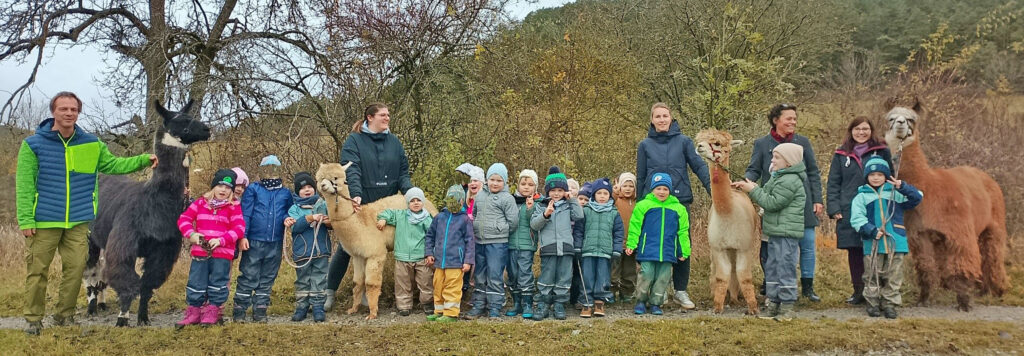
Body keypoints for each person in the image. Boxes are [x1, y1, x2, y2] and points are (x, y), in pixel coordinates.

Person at [17, 92, 157, 335]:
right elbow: (25, 185)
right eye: (64, 109)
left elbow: (114, 165)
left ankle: (64, 315)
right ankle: (33, 319)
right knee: (38, 271)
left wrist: (144, 160)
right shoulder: (33, 145)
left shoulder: (91, 143)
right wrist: (26, 219)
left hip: (79, 221)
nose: (69, 113)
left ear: (78, 112)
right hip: (44, 220)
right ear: (53, 111)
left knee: (75, 270)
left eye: (73, 109)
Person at [325, 103, 412, 311]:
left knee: (405, 245)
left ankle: (409, 296)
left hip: (389, 204)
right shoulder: (353, 141)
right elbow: (351, 170)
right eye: (383, 115)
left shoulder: (394, 142)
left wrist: (409, 193)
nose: (387, 118)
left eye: (389, 114)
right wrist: (355, 194)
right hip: (362, 204)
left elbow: (403, 172)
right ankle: (329, 292)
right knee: (349, 250)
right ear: (369, 117)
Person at [745, 103, 824, 302]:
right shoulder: (762, 144)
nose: (793, 122)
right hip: (774, 201)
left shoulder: (803, 143)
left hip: (801, 201)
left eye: (794, 118)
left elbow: (813, 172)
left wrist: (817, 199)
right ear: (776, 120)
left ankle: (807, 287)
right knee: (770, 247)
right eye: (788, 118)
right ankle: (772, 283)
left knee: (806, 245)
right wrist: (746, 183)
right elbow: (754, 169)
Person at [635, 102, 710, 310]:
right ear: (652, 120)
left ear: (671, 118)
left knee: (680, 244)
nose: (661, 120)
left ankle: (680, 290)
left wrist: (713, 189)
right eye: (657, 116)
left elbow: (699, 167)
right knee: (655, 245)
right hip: (653, 204)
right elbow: (641, 174)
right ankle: (660, 291)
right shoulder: (645, 145)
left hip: (679, 201)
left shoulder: (684, 142)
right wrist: (641, 202)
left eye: (665, 116)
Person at [733, 143, 808, 321]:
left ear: (789, 162)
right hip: (775, 231)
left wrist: (753, 191)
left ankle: (787, 307)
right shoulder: (778, 177)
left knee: (785, 267)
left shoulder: (790, 180)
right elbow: (765, 192)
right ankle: (774, 303)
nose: (772, 160)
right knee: (772, 266)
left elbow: (772, 202)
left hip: (786, 233)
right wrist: (749, 185)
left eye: (777, 157)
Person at [826, 117, 892, 305]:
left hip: (877, 206)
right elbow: (833, 182)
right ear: (851, 130)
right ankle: (859, 291)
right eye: (857, 129)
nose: (861, 132)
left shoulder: (881, 151)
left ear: (871, 130)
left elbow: (891, 176)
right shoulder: (841, 153)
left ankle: (881, 289)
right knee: (855, 251)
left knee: (878, 249)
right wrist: (834, 207)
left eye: (865, 129)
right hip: (849, 207)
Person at [850, 157, 923, 319]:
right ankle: (873, 302)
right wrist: (870, 230)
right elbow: (856, 218)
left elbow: (917, 197)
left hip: (896, 241)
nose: (876, 178)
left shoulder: (895, 194)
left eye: (880, 174)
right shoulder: (861, 196)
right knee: (872, 274)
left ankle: (889, 303)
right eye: (872, 174)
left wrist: (902, 186)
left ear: (886, 176)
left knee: (893, 275)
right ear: (867, 176)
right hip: (873, 243)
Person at [175, 169, 245, 328]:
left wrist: (221, 240)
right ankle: (193, 312)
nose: (223, 190)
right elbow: (184, 219)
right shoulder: (200, 203)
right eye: (220, 186)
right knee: (196, 282)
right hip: (200, 253)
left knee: (218, 283)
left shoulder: (233, 207)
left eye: (228, 188)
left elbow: (239, 229)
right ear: (213, 187)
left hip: (222, 254)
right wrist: (191, 234)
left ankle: (212, 312)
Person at [233, 155, 293, 322]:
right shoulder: (253, 189)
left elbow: (291, 210)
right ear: (261, 171)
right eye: (267, 169)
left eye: (274, 169)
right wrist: (243, 236)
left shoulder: (285, 192)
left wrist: (288, 218)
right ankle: (240, 309)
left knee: (268, 276)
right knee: (249, 274)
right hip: (254, 240)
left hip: (275, 241)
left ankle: (260, 310)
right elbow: (246, 213)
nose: (271, 173)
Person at [627, 173, 690, 316]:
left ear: (670, 190)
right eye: (658, 189)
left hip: (668, 252)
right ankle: (641, 301)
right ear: (652, 190)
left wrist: (684, 251)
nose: (662, 192)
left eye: (665, 189)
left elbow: (683, 232)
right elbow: (635, 226)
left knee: (663, 278)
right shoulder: (643, 205)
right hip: (647, 249)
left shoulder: (678, 208)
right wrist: (632, 244)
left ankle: (656, 302)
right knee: (646, 275)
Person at [531, 166, 583, 320]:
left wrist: (572, 198)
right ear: (547, 191)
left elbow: (579, 216)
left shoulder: (569, 205)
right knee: (546, 276)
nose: (556, 194)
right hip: (549, 248)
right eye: (553, 191)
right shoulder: (541, 205)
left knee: (564, 277)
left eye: (560, 190)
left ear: (565, 191)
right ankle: (544, 303)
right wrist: (545, 215)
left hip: (566, 248)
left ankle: (560, 304)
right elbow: (534, 225)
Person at [467, 163, 519, 318]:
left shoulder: (507, 198)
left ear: (504, 182)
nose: (495, 183)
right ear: (487, 180)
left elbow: (513, 222)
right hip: (480, 241)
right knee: (479, 275)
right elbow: (475, 214)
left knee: (495, 274)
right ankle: (479, 304)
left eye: (499, 180)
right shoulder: (480, 195)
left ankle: (495, 306)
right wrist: (477, 228)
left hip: (497, 243)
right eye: (492, 179)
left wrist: (500, 230)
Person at [376, 187, 434, 317]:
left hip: (421, 256)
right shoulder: (401, 215)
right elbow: (387, 213)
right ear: (408, 203)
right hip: (402, 256)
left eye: (418, 200)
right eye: (412, 200)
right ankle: (404, 305)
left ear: (423, 202)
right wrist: (383, 219)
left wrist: (431, 252)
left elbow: (432, 235)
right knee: (403, 283)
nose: (415, 203)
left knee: (426, 281)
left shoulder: (426, 218)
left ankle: (427, 303)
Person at [285, 172, 333, 322]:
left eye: (310, 187)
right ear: (297, 191)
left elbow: (334, 224)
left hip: (321, 251)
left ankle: (318, 306)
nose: (307, 190)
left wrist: (327, 222)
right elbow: (295, 228)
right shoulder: (294, 209)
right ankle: (302, 307)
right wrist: (310, 218)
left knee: (319, 279)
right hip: (302, 252)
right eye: (303, 188)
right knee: (303, 280)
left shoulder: (323, 204)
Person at [572, 178, 624, 318]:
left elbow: (618, 233)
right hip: (587, 250)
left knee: (603, 277)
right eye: (599, 193)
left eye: (605, 193)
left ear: (609, 196)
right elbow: (579, 231)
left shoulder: (614, 213)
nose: (602, 196)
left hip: (605, 252)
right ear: (594, 194)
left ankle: (599, 301)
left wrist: (617, 249)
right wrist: (577, 246)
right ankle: (586, 302)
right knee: (587, 277)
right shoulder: (587, 211)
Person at [424, 185, 476, 322]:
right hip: (439, 261)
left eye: (456, 200)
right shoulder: (439, 217)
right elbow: (430, 236)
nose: (453, 203)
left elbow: (470, 242)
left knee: (452, 287)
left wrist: (467, 261)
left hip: (456, 262)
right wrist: (429, 253)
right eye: (450, 200)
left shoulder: (465, 220)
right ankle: (439, 310)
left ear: (461, 201)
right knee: (438, 285)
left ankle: (451, 313)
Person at [505, 169, 540, 318]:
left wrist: (530, 208)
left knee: (524, 273)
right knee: (512, 274)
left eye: (530, 184)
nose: (526, 187)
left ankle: (527, 303)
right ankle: (516, 302)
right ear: (518, 185)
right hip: (510, 243)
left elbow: (535, 223)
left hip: (527, 244)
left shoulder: (538, 202)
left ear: (535, 187)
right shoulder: (510, 201)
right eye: (523, 183)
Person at [611, 172, 639, 304]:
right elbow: (607, 199)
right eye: (625, 186)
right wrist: (615, 192)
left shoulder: (637, 203)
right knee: (613, 270)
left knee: (629, 270)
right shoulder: (616, 200)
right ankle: (610, 292)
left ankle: (627, 292)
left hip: (631, 242)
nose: (628, 189)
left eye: (631, 186)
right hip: (616, 241)